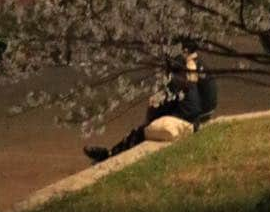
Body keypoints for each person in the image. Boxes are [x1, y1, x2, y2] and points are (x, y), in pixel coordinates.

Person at [84, 42, 216, 163]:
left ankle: (109, 155)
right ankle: (110, 153)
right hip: (202, 113)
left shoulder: (177, 80)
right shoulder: (195, 66)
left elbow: (158, 109)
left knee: (142, 131)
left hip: (189, 118)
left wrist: (152, 111)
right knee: (145, 127)